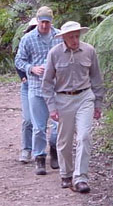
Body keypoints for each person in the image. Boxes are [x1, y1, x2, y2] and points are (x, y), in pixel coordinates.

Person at [42, 21, 105, 193]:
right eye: (71, 36)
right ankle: (66, 174)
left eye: (77, 36)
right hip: (63, 99)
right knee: (64, 140)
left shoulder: (89, 51)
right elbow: (46, 82)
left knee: (84, 136)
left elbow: (96, 78)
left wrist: (98, 103)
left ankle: (81, 177)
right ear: (63, 37)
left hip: (85, 97)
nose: (74, 40)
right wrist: (51, 107)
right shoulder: (54, 53)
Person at [15, 6, 61, 175]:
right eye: (41, 22)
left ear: (51, 22)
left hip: (57, 87)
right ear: (37, 20)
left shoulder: (59, 36)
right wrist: (31, 68)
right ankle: (39, 157)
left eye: (47, 22)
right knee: (38, 126)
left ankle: (55, 150)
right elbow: (19, 60)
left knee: (58, 124)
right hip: (35, 86)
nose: (44, 25)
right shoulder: (28, 39)